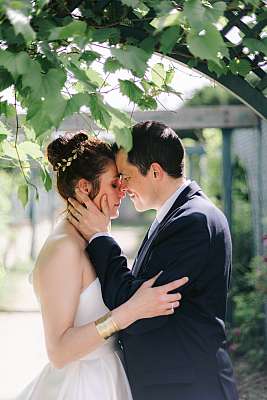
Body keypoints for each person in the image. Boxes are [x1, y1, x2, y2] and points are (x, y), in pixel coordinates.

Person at [68, 121, 239, 400]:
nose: (122, 187)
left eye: (125, 176)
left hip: (190, 389)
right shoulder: (176, 216)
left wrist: (100, 237)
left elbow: (136, 310)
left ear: (155, 172)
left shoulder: (192, 221)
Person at [16, 132, 188, 400]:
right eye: (114, 184)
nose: (123, 191)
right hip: (81, 386)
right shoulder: (63, 249)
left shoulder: (92, 238)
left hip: (112, 375)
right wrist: (129, 312)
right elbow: (59, 353)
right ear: (85, 187)